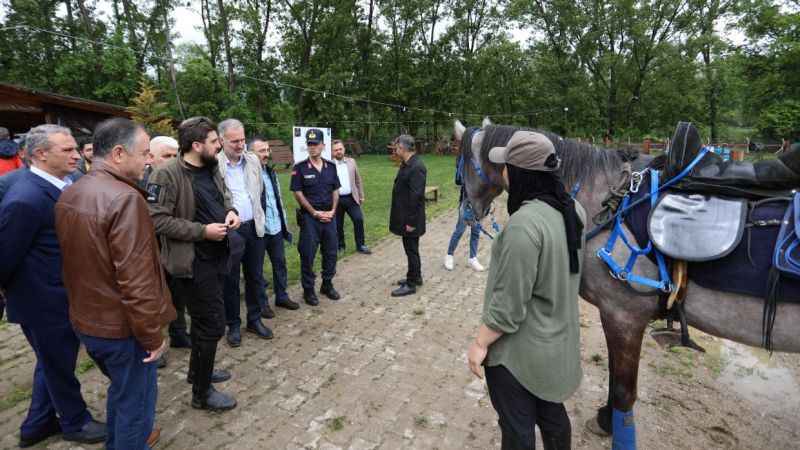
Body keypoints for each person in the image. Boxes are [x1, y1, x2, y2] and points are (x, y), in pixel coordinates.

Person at [55, 118, 175, 450]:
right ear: (119, 153)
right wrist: (152, 334)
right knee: (136, 409)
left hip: (89, 323)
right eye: (145, 153)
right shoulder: (126, 199)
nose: (149, 160)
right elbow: (136, 279)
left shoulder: (71, 190)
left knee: (122, 394)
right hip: (122, 330)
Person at [466, 131, 585, 450]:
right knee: (553, 418)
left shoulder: (524, 226)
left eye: (506, 166)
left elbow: (507, 308)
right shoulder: (572, 210)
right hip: (557, 346)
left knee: (518, 431)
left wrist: (479, 344)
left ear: (519, 173)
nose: (501, 172)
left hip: (519, 357)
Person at [0, 124, 106, 447]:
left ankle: (37, 425)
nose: (77, 154)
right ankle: (75, 422)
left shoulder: (64, 182)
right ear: (40, 154)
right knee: (58, 367)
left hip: (65, 295)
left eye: (76, 148)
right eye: (68, 150)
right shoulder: (25, 198)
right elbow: (4, 258)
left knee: (52, 362)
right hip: (43, 303)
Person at [147, 116, 241, 412]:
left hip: (217, 256)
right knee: (210, 324)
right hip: (192, 263)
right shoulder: (166, 175)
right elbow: (157, 219)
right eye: (214, 142)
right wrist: (203, 231)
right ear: (197, 145)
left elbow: (224, 196)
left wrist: (231, 211)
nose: (219, 146)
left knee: (206, 323)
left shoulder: (212, 167)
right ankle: (202, 393)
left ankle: (198, 371)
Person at [216, 119, 272, 346]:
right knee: (230, 280)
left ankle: (255, 319)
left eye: (242, 139)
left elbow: (259, 192)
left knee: (255, 276)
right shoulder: (214, 164)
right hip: (231, 231)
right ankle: (233, 325)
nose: (241, 145)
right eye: (234, 141)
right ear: (221, 140)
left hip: (254, 227)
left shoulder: (252, 161)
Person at [144, 135, 190, 350]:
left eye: (175, 155)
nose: (172, 160)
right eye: (166, 156)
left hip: (175, 249)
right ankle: (157, 343)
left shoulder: (181, 178)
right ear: (150, 157)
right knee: (154, 300)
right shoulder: (139, 183)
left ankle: (179, 334)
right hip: (149, 254)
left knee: (178, 294)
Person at [290, 129, 341, 305]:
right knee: (308, 254)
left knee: (331, 253)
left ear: (323, 145)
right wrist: (314, 212)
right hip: (311, 219)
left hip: (330, 216)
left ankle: (327, 284)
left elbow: (335, 190)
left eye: (316, 144)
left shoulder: (331, 167)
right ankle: (308, 290)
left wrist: (333, 211)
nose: (312, 147)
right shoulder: (300, 168)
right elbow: (298, 193)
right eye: (310, 144)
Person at [250, 137, 298, 318]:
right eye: (261, 151)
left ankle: (282, 296)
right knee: (257, 270)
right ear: (250, 154)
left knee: (280, 264)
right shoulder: (247, 174)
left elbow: (276, 199)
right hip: (259, 230)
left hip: (276, 227)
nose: (266, 154)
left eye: (267, 150)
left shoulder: (271, 172)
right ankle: (262, 304)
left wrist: (283, 222)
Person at [389, 135, 427, 297]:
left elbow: (416, 196)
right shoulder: (407, 164)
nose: (395, 150)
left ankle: (411, 284)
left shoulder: (416, 166)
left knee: (411, 250)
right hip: (405, 216)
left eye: (397, 147)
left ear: (403, 148)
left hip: (411, 219)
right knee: (411, 249)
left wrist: (411, 222)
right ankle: (415, 277)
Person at [332, 139, 370, 255]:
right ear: (332, 152)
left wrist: (361, 195)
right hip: (336, 199)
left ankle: (361, 245)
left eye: (340, 149)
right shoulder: (328, 164)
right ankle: (340, 246)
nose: (338, 151)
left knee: (358, 219)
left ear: (344, 149)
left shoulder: (351, 162)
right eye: (336, 150)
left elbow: (358, 180)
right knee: (338, 224)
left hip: (351, 198)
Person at [444, 187, 485, 272]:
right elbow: (458, 180)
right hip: (467, 202)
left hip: (480, 203)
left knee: (476, 232)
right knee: (459, 230)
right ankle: (449, 255)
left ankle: (473, 258)